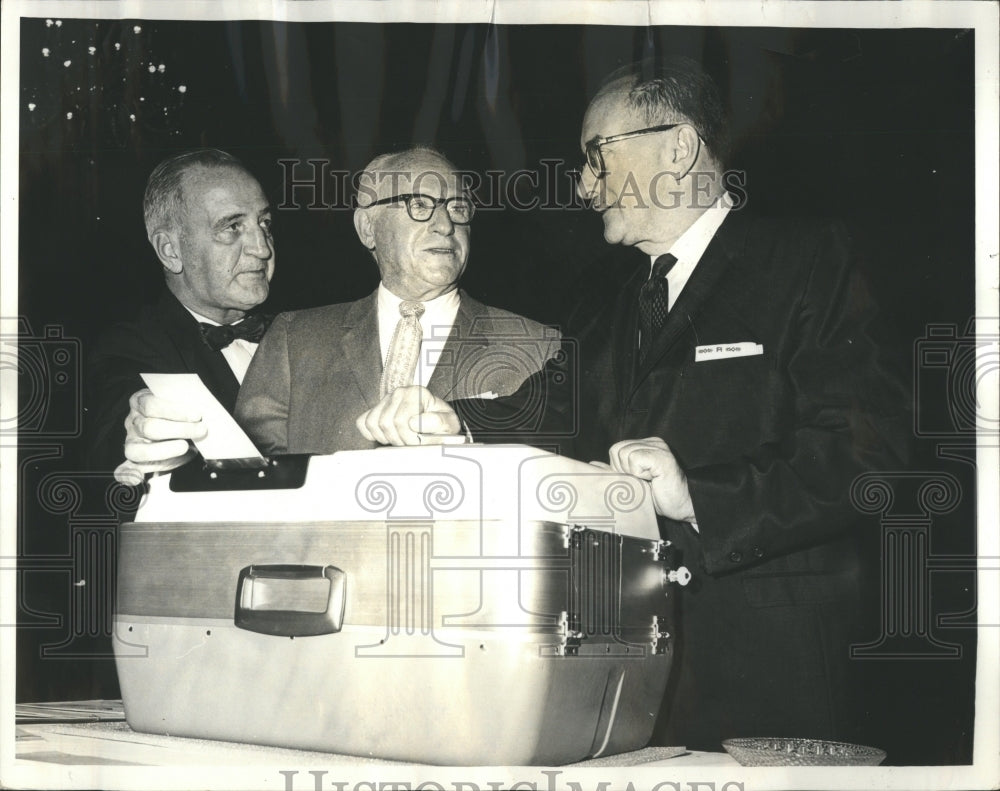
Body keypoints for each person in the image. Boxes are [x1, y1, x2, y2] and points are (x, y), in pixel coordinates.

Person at [354, 58, 909, 750]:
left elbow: (870, 455)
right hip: (628, 677)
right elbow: (549, 411)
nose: (584, 184)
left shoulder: (808, 261)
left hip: (775, 678)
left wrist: (698, 494)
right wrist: (453, 419)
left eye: (596, 156)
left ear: (678, 146)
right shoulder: (605, 301)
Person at [234, 146, 559, 454]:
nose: (446, 225)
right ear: (368, 228)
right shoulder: (294, 339)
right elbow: (250, 478)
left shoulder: (538, 346)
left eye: (458, 207)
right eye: (419, 204)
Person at [84, 149, 275, 485]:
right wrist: (140, 431)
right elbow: (120, 419)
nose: (262, 247)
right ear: (170, 251)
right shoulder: (130, 346)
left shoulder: (299, 332)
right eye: (232, 226)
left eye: (264, 223)